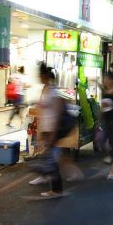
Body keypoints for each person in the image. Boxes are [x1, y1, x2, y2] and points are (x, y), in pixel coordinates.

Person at [29, 63, 68, 196]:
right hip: (45, 129)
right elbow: (42, 110)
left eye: (40, 75)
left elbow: (57, 114)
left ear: (45, 76)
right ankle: (47, 179)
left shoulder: (53, 91)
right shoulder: (45, 89)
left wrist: (53, 134)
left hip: (52, 130)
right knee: (47, 157)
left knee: (51, 159)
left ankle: (57, 189)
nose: (39, 78)